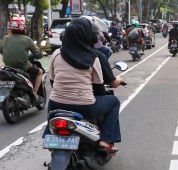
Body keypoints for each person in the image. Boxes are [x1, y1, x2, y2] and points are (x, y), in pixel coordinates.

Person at [47, 17, 123, 154]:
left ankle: (48, 134)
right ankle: (105, 140)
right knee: (114, 102)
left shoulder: (56, 54)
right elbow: (99, 88)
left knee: (52, 107)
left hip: (55, 104)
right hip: (86, 106)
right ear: (88, 36)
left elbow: (52, 82)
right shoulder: (94, 57)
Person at [0, 18, 44, 97]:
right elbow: (38, 54)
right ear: (23, 28)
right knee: (39, 72)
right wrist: (40, 54)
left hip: (8, 67)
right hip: (23, 67)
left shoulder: (5, 38)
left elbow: (1, 51)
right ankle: (35, 93)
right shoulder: (27, 39)